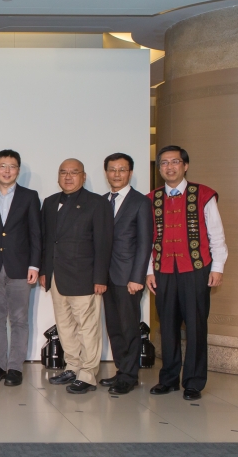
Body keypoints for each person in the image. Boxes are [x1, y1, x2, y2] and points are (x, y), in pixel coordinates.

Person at [146, 145, 228, 401]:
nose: (169, 167)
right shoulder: (151, 198)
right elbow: (147, 240)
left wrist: (217, 268)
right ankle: (168, 379)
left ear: (185, 166)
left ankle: (193, 382)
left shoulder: (203, 194)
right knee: (167, 326)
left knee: (195, 326)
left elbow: (216, 235)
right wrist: (149, 271)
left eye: (175, 162)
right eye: (164, 163)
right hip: (163, 271)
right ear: (159, 169)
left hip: (196, 270)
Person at [39, 158, 113, 394]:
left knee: (87, 328)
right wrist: (44, 271)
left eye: (74, 172)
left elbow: (103, 243)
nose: (68, 177)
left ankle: (88, 374)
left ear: (83, 177)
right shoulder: (49, 203)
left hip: (85, 276)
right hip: (56, 276)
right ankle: (72, 366)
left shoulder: (96, 203)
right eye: (63, 172)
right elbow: (47, 241)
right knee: (65, 326)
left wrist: (100, 277)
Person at [0, 150, 41, 387]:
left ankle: (15, 367)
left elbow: (35, 232)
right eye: (2, 166)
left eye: (12, 166)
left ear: (18, 170)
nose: (7, 170)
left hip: (21, 267)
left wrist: (34, 264)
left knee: (20, 319)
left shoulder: (30, 196)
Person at [99, 153, 152, 395]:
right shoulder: (101, 201)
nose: (117, 174)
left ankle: (130, 375)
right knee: (114, 326)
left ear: (130, 173)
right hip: (105, 277)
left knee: (129, 327)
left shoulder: (140, 202)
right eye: (112, 169)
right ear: (106, 172)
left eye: (122, 169)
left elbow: (144, 243)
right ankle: (122, 370)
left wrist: (137, 277)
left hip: (127, 277)